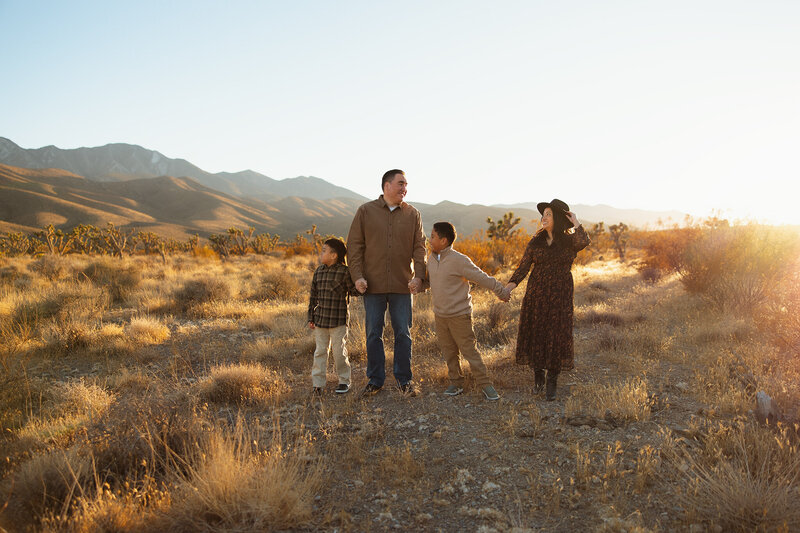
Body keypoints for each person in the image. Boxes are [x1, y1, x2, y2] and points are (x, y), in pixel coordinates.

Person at [346, 169, 427, 396]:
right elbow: (354, 247)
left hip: (403, 285)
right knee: (373, 333)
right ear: (386, 185)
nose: (405, 188)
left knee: (403, 333)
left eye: (406, 184)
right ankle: (375, 380)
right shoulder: (365, 211)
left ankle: (404, 380)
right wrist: (357, 276)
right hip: (372, 285)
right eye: (401, 183)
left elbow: (419, 248)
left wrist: (418, 276)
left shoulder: (413, 215)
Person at [503, 199, 590, 401]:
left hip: (560, 293)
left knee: (556, 333)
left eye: (549, 214)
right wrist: (509, 287)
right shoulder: (536, 242)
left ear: (558, 218)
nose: (544, 217)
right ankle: (538, 379)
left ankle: (552, 380)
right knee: (537, 332)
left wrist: (575, 221)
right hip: (537, 293)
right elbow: (523, 267)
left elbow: (583, 241)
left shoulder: (569, 242)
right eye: (544, 214)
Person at [411, 222, 509, 401]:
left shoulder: (459, 260)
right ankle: (456, 382)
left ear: (444, 240)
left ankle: (485, 384)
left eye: (433, 236)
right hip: (440, 315)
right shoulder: (431, 258)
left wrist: (501, 291)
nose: (429, 239)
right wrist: (417, 285)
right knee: (449, 352)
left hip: (459, 315)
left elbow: (482, 277)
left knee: (470, 351)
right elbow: (429, 281)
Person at [307, 238, 360, 395]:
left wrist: (362, 283)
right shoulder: (318, 272)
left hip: (338, 321)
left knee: (339, 352)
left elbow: (354, 291)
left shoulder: (344, 272)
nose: (321, 253)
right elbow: (313, 297)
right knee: (320, 352)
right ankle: (318, 384)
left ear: (334, 255)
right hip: (321, 320)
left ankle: (344, 381)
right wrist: (311, 317)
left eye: (324, 250)